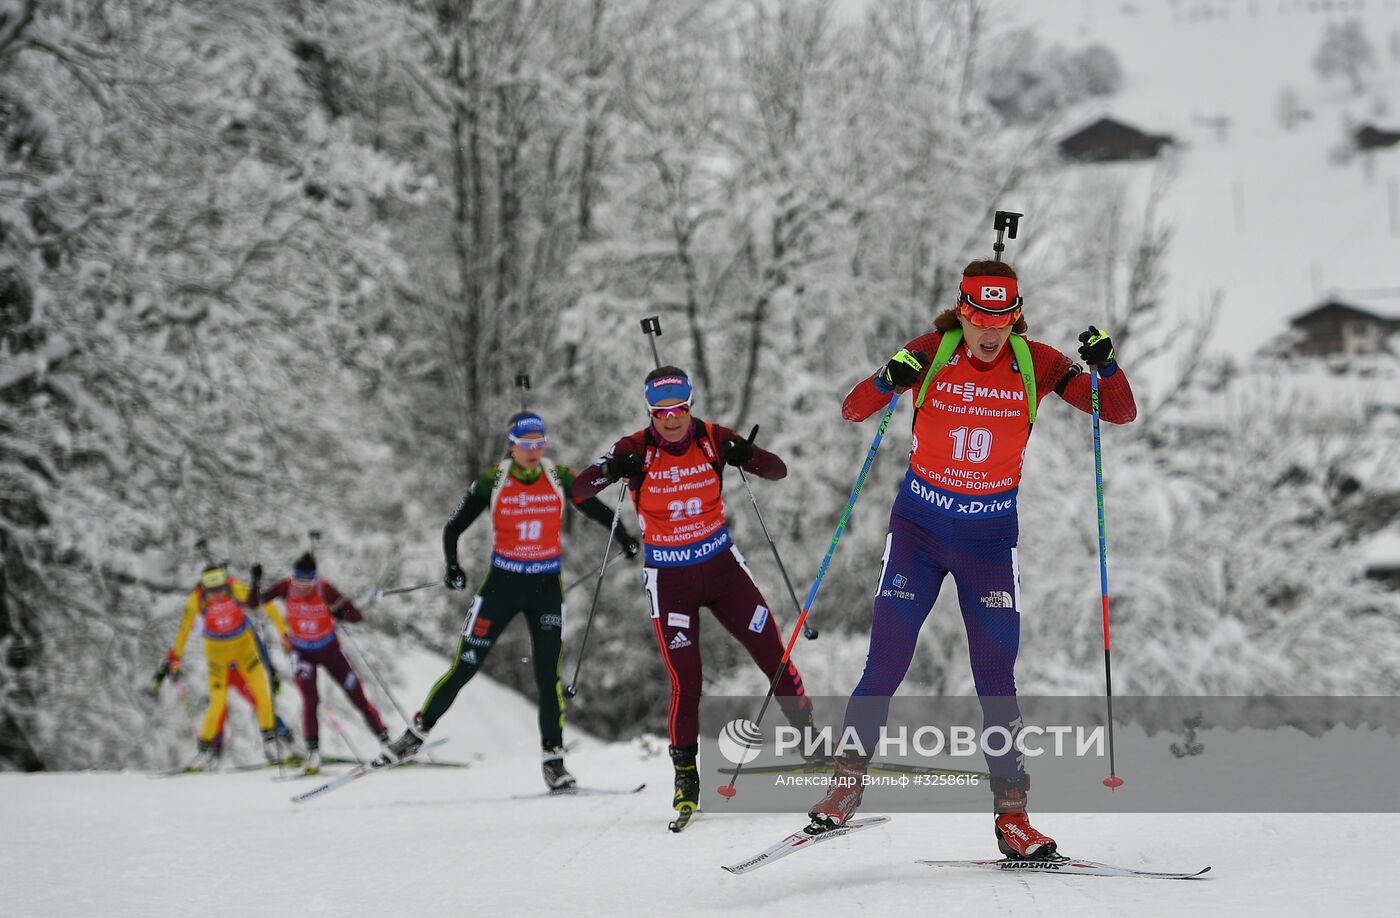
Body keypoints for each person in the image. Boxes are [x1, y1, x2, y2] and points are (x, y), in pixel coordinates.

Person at [807, 259, 1137, 859]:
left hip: (988, 543)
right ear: (962, 312)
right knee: (885, 665)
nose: (990, 331)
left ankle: (1014, 818)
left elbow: (1117, 411)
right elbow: (853, 409)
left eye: (1002, 318)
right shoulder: (932, 351)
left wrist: (1106, 367)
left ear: (1017, 316)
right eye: (980, 317)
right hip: (919, 533)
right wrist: (888, 377)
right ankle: (845, 785)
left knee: (996, 680)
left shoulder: (1037, 363)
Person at [572, 367, 813, 822]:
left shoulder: (712, 439)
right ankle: (686, 778)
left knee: (774, 656)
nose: (671, 420)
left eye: (679, 409)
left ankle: (811, 743)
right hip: (670, 581)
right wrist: (611, 470)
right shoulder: (634, 448)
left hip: (723, 571)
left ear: (690, 406)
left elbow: (777, 470)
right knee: (687, 681)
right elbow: (581, 489)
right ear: (649, 413)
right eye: (660, 413)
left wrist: (747, 454)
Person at [378, 412, 639, 790]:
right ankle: (414, 736)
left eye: (539, 443)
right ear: (511, 445)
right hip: (502, 585)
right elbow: (453, 527)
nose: (533, 451)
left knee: (547, 676)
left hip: (545, 587)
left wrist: (624, 537)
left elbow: (596, 508)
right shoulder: (493, 480)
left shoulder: (558, 476)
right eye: (525, 444)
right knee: (465, 665)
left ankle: (554, 762)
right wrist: (453, 566)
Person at [256, 552, 389, 774]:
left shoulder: (324, 589)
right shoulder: (285, 587)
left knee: (357, 696)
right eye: (298, 583)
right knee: (310, 700)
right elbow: (254, 601)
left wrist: (340, 612)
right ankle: (313, 754)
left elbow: (356, 615)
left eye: (307, 584)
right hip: (302, 654)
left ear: (315, 580)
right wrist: (256, 582)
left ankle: (387, 742)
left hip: (329, 651)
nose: (302, 589)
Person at [156, 565, 292, 771]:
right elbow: (184, 630)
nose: (217, 595)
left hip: (245, 651)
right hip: (217, 656)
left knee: (262, 695)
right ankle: (205, 752)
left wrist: (285, 635)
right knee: (217, 704)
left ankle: (271, 744)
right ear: (204, 588)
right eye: (212, 591)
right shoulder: (196, 600)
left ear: (225, 584)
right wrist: (175, 659)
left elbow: (269, 607)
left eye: (220, 589)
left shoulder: (236, 589)